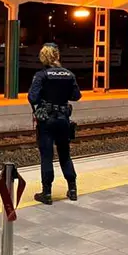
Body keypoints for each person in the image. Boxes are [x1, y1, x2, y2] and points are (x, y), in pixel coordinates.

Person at [28, 43, 81, 205]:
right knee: (65, 154)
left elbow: (33, 97)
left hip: (47, 121)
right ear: (57, 56)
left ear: (43, 57)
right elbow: (76, 95)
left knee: (47, 156)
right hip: (63, 119)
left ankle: (47, 193)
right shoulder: (69, 74)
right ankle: (72, 190)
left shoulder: (41, 75)